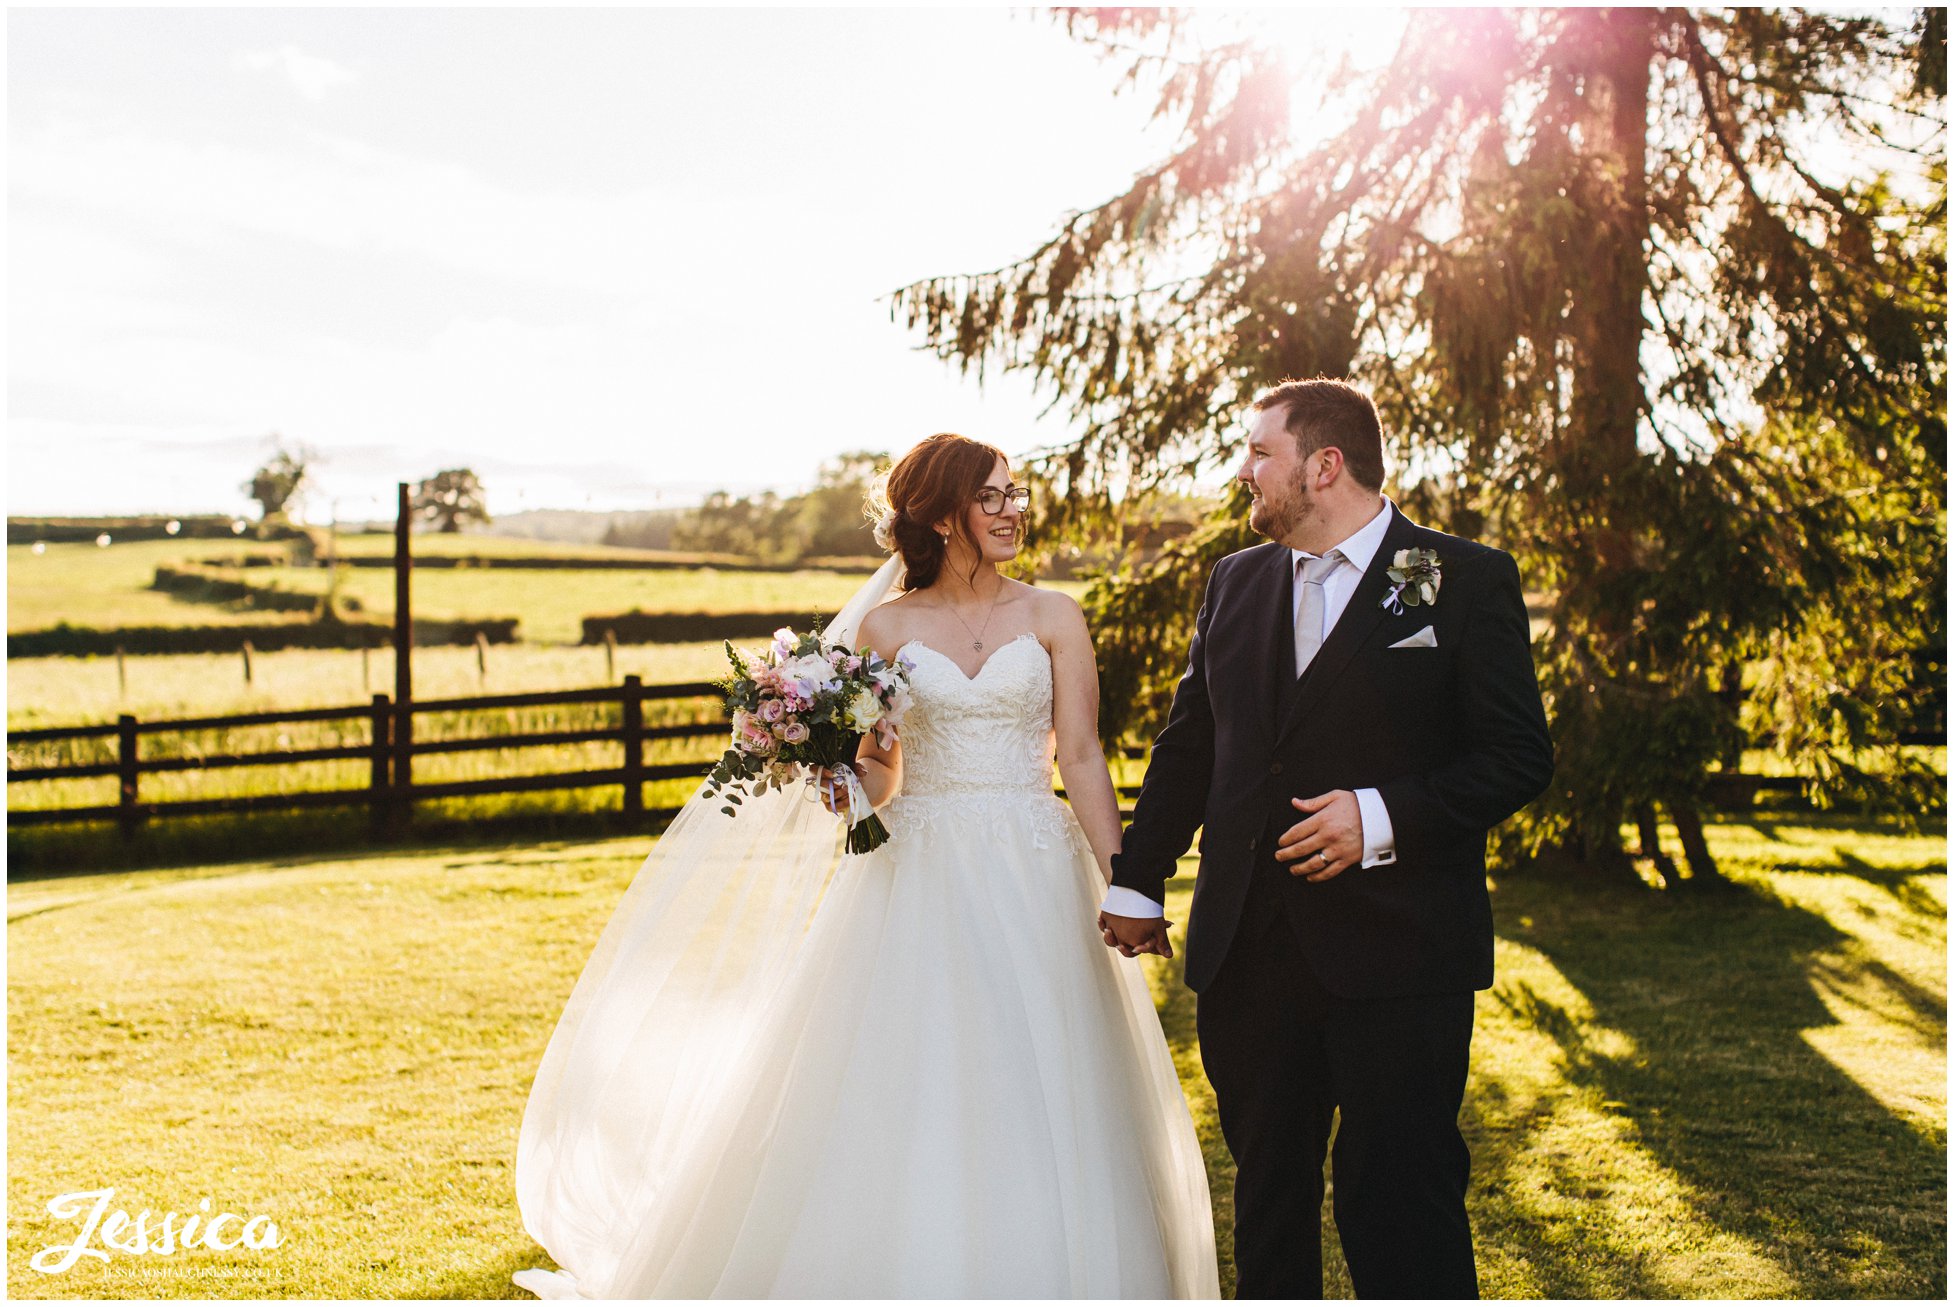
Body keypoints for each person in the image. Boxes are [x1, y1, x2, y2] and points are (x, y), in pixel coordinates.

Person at [512, 433, 1218, 1299]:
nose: (1011, 510)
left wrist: (1125, 879)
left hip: (1033, 866)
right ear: (938, 513)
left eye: (1014, 493)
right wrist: (838, 776)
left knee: (1044, 1077)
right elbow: (883, 770)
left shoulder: (1053, 615)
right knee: (904, 1072)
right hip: (916, 871)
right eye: (990, 496)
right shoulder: (884, 628)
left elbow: (1079, 754)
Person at [1098, 379, 1554, 1299]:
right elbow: (1193, 744)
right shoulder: (1237, 579)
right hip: (1250, 953)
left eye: (1260, 452)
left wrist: (1377, 816)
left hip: (1401, 954)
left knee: (1400, 1199)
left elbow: (1517, 756)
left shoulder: (1461, 577)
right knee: (1268, 1200)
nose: (1245, 471)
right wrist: (1138, 877)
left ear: (1324, 465)